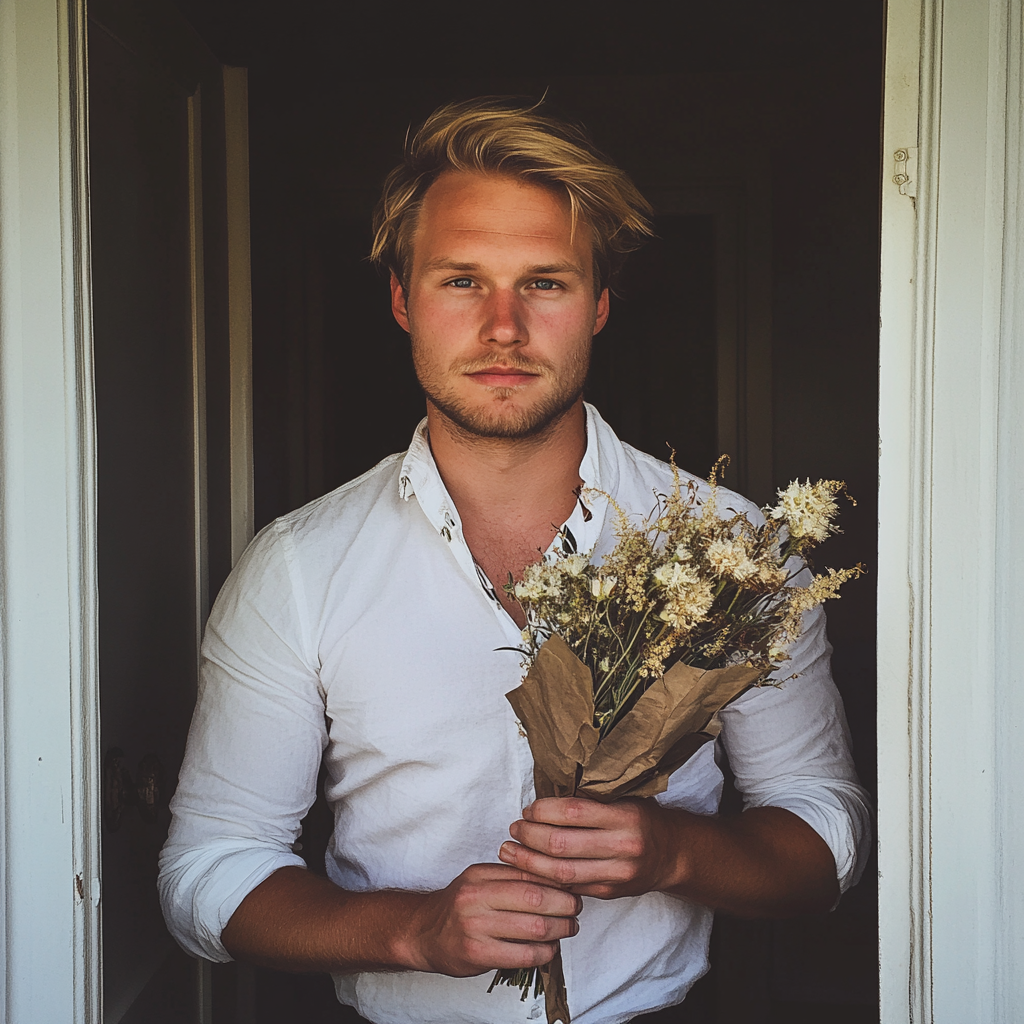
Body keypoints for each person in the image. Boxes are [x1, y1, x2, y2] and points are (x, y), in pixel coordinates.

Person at [158, 98, 872, 1024]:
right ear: (403, 300)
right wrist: (413, 931)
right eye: (462, 281)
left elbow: (825, 839)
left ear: (599, 306)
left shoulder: (739, 555)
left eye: (545, 283)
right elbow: (210, 872)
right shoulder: (298, 567)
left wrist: (674, 854)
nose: (503, 327)